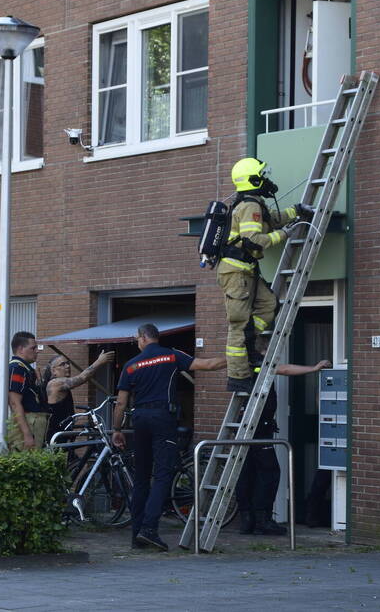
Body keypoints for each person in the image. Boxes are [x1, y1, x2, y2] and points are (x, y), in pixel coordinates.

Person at [111, 323, 226, 551]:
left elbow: (121, 402)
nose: (136, 342)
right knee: (163, 474)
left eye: (137, 338)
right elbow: (209, 364)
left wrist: (117, 430)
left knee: (142, 478)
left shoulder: (131, 365)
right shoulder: (172, 356)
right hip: (163, 417)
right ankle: (149, 529)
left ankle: (136, 536)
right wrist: (238, 357)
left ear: (143, 338)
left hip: (140, 419)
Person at [217, 157, 311, 392]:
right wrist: (284, 235)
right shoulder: (248, 206)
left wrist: (296, 212)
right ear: (254, 179)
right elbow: (253, 240)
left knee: (268, 304)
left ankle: (249, 343)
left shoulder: (254, 204)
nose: (267, 180)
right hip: (236, 272)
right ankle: (238, 376)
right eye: (263, 175)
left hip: (245, 271)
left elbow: (271, 220)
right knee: (238, 325)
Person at [237, 357, 331, 536]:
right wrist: (313, 368)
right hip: (259, 427)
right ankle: (262, 520)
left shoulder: (242, 365)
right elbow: (285, 369)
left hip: (244, 425)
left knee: (245, 472)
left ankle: (246, 520)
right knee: (270, 472)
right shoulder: (259, 365)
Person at [44, 350, 115, 444]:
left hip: (64, 431)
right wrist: (99, 361)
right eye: (62, 364)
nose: (67, 366)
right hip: (55, 434)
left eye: (68, 363)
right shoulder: (55, 383)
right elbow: (82, 378)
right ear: (53, 370)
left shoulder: (60, 383)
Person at [6, 332, 47, 451]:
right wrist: (27, 434)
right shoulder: (17, 368)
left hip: (34, 422)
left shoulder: (26, 369)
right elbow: (14, 402)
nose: (37, 351)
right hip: (28, 423)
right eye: (33, 348)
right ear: (21, 349)